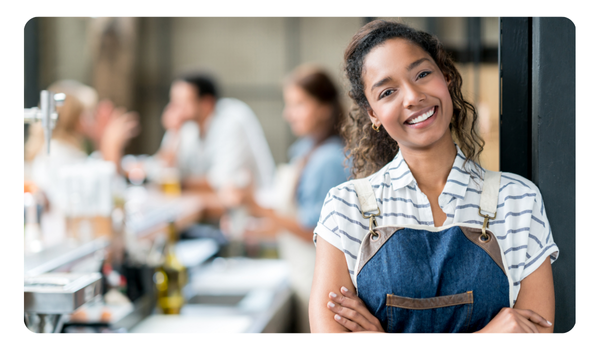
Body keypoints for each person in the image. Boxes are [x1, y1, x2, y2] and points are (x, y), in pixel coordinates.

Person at [309, 20, 559, 333]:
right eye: (388, 91)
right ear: (372, 113)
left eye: (423, 74)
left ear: (447, 78)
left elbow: (539, 337)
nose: (413, 97)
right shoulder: (345, 208)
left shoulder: (519, 200)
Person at [235, 65, 350, 333]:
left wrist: (256, 206)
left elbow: (315, 231)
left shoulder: (328, 160)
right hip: (299, 274)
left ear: (323, 108)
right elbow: (295, 218)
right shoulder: (305, 149)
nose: (288, 114)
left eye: (298, 104)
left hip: (317, 277)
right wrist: (257, 229)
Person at [154, 72, 276, 218]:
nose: (173, 109)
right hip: (216, 208)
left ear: (206, 103)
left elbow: (220, 181)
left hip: (254, 215)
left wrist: (177, 182)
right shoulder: (186, 126)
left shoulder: (233, 120)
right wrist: (173, 133)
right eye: (173, 101)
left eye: (181, 102)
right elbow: (163, 170)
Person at [25, 80, 140, 207]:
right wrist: (110, 146)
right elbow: (110, 200)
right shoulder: (58, 154)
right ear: (77, 119)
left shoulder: (68, 151)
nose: (94, 119)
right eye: (90, 113)